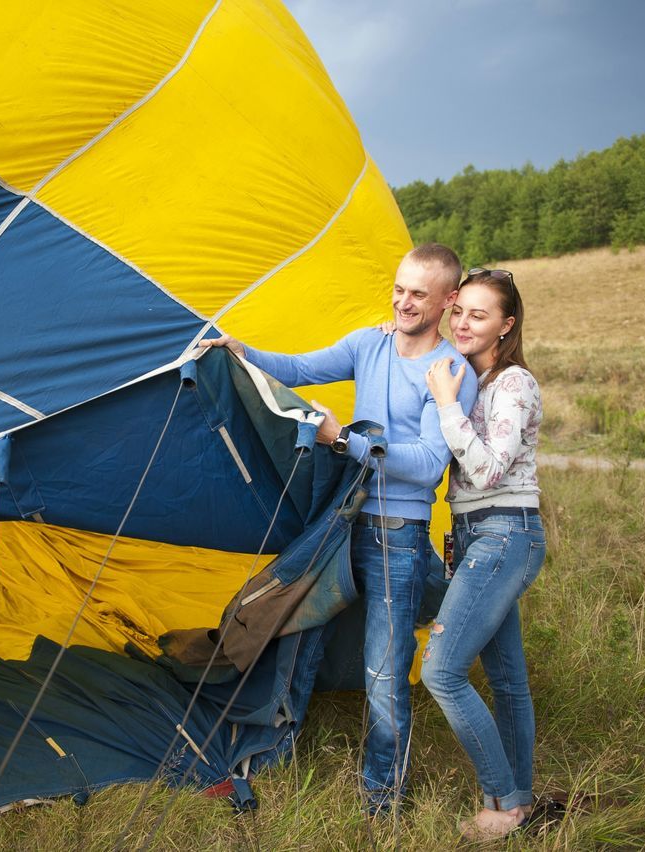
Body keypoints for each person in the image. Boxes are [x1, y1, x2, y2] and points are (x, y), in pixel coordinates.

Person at [200, 244, 478, 812]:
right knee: (300, 635)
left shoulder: (450, 372)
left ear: (448, 301)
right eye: (398, 289)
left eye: (418, 294)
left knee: (383, 672)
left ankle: (382, 798)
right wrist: (242, 352)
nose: (403, 302)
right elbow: (302, 368)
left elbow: (428, 463)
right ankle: (274, 753)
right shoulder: (367, 342)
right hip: (342, 519)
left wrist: (345, 440)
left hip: (398, 533)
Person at [418, 267, 545, 841]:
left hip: (504, 534)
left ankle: (501, 803)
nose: (464, 323)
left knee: (442, 671)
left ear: (506, 325)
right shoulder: (463, 375)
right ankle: (522, 799)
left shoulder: (513, 385)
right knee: (507, 678)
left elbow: (490, 469)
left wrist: (446, 405)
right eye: (459, 310)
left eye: (480, 314)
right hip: (473, 536)